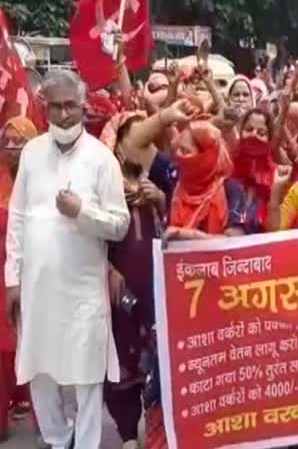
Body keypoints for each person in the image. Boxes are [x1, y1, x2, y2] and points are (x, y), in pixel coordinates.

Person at [4, 70, 130, 449]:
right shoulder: (31, 153)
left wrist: (82, 212)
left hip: (82, 291)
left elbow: (120, 224)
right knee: (39, 369)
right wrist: (12, 277)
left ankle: (87, 443)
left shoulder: (102, 159)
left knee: (87, 374)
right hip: (37, 287)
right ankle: (59, 439)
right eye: (55, 106)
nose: (62, 115)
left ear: (84, 107)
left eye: (70, 106)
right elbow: (19, 217)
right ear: (45, 106)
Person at [105, 115, 166, 449]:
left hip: (156, 286)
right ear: (118, 143)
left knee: (158, 358)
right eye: (134, 136)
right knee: (122, 357)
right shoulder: (103, 181)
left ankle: (157, 428)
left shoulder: (159, 178)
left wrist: (161, 200)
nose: (142, 144)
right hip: (120, 285)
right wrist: (107, 270)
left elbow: (179, 224)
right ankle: (128, 433)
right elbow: (89, 235)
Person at [0, 117, 37, 440]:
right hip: (3, 275)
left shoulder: (42, 180)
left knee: (33, 345)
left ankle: (47, 422)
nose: (12, 147)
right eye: (7, 141)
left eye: (19, 141)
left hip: (35, 271)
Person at [166, 120, 249, 240]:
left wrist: (191, 235)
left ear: (205, 158)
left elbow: (234, 241)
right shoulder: (176, 187)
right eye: (178, 149)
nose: (178, 155)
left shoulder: (230, 189)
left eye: (185, 151)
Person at [231, 108, 277, 233]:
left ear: (269, 139)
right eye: (248, 130)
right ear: (240, 132)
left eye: (261, 133)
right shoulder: (226, 169)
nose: (253, 135)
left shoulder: (277, 178)